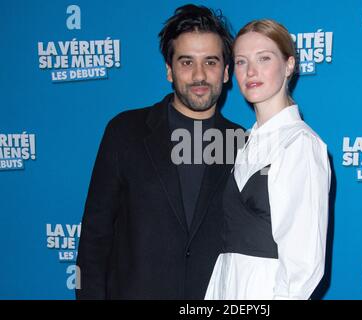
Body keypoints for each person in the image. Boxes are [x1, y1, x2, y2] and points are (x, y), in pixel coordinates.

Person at [76, 4, 243, 299]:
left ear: (226, 71)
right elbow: (95, 238)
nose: (199, 75)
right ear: (169, 70)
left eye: (211, 62)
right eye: (187, 62)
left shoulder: (243, 144)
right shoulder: (125, 131)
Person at [205, 19, 331, 300]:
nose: (251, 71)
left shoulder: (300, 145)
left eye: (264, 58)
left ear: (288, 66)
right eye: (241, 62)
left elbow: (303, 266)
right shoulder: (242, 143)